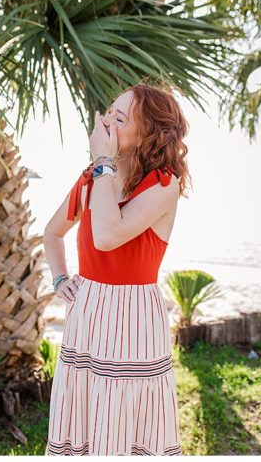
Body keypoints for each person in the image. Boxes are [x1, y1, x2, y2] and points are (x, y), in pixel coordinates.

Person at [42, 83, 188, 456]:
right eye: (109, 111)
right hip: (88, 314)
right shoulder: (91, 180)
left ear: (148, 135)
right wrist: (60, 279)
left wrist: (102, 162)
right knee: (85, 417)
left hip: (133, 318)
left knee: (124, 423)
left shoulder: (163, 183)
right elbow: (53, 232)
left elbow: (108, 235)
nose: (106, 121)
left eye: (120, 118)